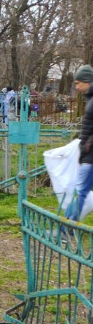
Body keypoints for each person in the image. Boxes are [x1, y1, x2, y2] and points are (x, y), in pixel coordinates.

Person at [66, 64, 93, 222]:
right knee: (80, 190)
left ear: (87, 81)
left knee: (79, 190)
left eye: (78, 83)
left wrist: (88, 143)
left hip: (90, 156)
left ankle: (66, 228)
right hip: (88, 154)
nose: (76, 86)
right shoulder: (89, 99)